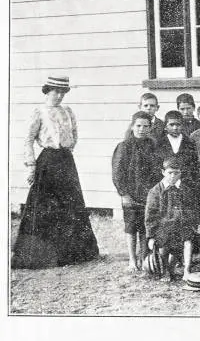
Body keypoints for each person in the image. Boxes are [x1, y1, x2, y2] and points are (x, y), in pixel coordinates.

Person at [13, 75, 99, 269]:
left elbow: (74, 133)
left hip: (66, 161)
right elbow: (28, 139)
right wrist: (31, 165)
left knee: (70, 204)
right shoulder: (39, 112)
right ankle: (41, 254)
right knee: (45, 207)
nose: (59, 96)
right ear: (47, 91)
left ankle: (71, 252)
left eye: (62, 92)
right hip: (47, 162)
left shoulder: (68, 111)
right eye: (55, 91)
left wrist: (68, 148)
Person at [112, 111, 162, 271]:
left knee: (146, 227)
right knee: (131, 227)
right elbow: (117, 172)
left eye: (146, 126)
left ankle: (144, 258)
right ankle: (132, 260)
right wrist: (124, 193)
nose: (142, 129)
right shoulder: (124, 146)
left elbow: (157, 171)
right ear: (132, 126)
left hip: (149, 194)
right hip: (131, 194)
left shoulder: (154, 145)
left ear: (151, 127)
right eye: (138, 126)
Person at [145, 157, 198, 282]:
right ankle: (165, 271)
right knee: (164, 246)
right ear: (163, 172)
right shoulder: (155, 191)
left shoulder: (185, 190)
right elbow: (150, 215)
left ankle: (186, 270)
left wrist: (194, 224)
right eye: (170, 173)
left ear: (181, 172)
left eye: (176, 173)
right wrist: (151, 236)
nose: (173, 176)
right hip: (163, 227)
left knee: (187, 242)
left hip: (181, 224)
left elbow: (192, 209)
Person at [154, 111, 200, 187]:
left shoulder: (189, 143)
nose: (175, 128)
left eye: (178, 125)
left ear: (183, 126)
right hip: (165, 184)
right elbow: (157, 166)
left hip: (186, 185)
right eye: (171, 125)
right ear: (165, 126)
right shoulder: (159, 143)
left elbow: (194, 166)